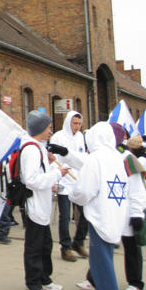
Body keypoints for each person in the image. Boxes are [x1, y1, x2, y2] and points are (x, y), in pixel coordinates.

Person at [70, 122, 130, 290]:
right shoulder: (117, 156)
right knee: (103, 258)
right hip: (115, 212)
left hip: (100, 214)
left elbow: (84, 190)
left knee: (101, 262)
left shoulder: (95, 158)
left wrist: (73, 195)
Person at [21, 110, 70, 290]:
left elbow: (40, 173)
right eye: (49, 127)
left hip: (42, 206)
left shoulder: (38, 147)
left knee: (45, 245)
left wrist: (50, 168)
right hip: (34, 206)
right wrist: (57, 174)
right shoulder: (32, 149)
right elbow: (31, 179)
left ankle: (44, 279)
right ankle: (33, 286)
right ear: (40, 128)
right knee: (34, 247)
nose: (51, 130)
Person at [48, 111, 89, 262]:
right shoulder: (58, 137)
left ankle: (78, 242)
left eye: (79, 123)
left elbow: (82, 158)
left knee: (85, 213)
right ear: (68, 122)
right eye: (75, 123)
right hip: (63, 182)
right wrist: (55, 181)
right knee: (65, 216)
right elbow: (52, 160)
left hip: (77, 181)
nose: (77, 126)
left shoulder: (81, 137)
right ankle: (65, 248)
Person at [120, 135, 146, 290]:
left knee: (131, 248)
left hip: (128, 212)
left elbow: (138, 188)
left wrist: (137, 213)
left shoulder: (129, 159)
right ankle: (93, 279)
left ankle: (135, 281)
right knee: (103, 249)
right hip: (111, 212)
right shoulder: (105, 156)